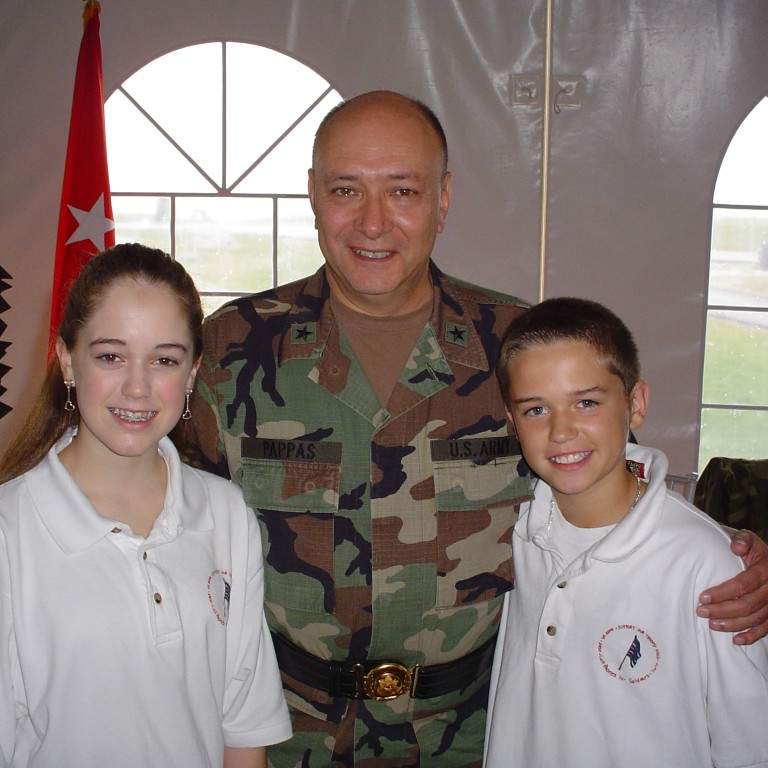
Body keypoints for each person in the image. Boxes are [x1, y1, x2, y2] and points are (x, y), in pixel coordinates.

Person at [184, 90, 768, 767]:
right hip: (287, 731)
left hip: (472, 734)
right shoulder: (233, 350)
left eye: (402, 191)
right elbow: (166, 516)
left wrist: (729, 554)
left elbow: (605, 479)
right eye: (346, 189)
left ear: (444, 198)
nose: (373, 223)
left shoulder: (514, 345)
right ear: (313, 194)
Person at [0, 244, 291, 768]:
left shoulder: (225, 513)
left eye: (164, 360)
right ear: (67, 360)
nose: (137, 388)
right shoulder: (9, 528)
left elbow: (243, 724)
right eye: (110, 356)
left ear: (193, 371)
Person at [485, 297, 768, 767]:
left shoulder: (708, 566)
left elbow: (750, 744)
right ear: (513, 423)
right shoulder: (520, 530)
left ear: (635, 404)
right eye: (536, 410)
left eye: (587, 402)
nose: (561, 430)